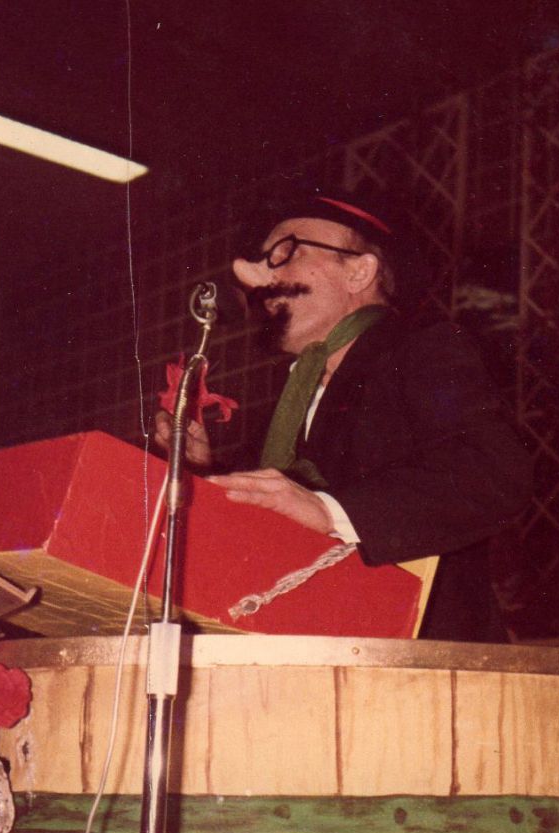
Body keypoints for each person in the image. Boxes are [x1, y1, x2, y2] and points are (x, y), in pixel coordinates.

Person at [155, 187, 532, 641]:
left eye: (286, 252)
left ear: (359, 272)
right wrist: (201, 468)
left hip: (420, 656)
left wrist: (329, 511)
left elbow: (492, 472)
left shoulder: (425, 350)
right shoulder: (292, 400)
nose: (262, 278)